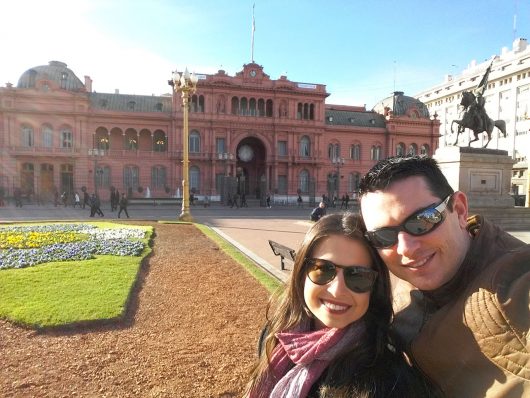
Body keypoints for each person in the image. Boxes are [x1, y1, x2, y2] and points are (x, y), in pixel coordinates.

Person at [358, 154, 530, 398]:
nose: (406, 248)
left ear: (459, 210)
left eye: (422, 221)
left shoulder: (515, 280)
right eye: (383, 236)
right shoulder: (391, 283)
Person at [244, 213, 439, 397]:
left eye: (358, 276)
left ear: (374, 288)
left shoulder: (387, 380)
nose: (337, 290)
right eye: (322, 269)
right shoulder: (275, 337)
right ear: (301, 274)